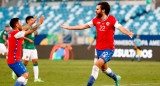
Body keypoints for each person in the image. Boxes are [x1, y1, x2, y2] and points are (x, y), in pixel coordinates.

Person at [60, 2, 134, 86]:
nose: (95, 11)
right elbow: (83, 26)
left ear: (103, 10)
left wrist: (128, 33)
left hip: (108, 49)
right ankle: (116, 78)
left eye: (97, 9)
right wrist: (69, 27)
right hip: (98, 49)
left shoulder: (111, 19)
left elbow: (120, 28)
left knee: (96, 66)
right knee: (104, 69)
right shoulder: (95, 20)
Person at [7, 15, 44, 86]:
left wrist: (31, 23)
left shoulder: (12, 33)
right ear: (17, 25)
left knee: (25, 77)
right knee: (25, 75)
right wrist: (39, 24)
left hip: (12, 60)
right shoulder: (17, 34)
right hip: (14, 60)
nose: (22, 24)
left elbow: (24, 28)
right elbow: (29, 31)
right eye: (20, 22)